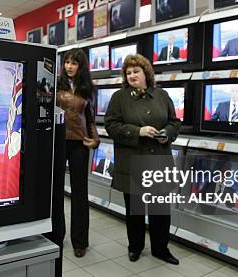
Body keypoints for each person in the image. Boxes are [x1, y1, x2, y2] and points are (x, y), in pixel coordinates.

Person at [105, 54, 180, 265]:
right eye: (128, 73)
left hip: (158, 159)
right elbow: (111, 125)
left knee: (160, 211)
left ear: (146, 73)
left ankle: (161, 249)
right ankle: (135, 247)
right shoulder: (119, 98)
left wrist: (167, 132)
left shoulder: (162, 95)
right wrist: (138, 131)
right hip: (133, 161)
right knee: (135, 211)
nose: (132, 76)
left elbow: (175, 122)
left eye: (136, 71)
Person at [56, 48, 100, 258]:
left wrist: (95, 138)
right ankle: (56, 235)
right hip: (57, 142)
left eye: (74, 63)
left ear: (81, 66)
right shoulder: (55, 84)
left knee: (80, 193)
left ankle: (80, 241)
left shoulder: (88, 88)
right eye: (67, 62)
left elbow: (90, 118)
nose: (69, 66)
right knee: (55, 191)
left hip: (80, 144)